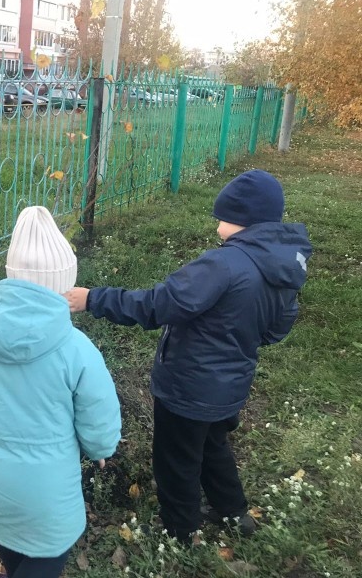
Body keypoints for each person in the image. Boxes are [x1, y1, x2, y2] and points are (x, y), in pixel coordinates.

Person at [66, 169, 313, 542]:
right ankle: (234, 512)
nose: (217, 219)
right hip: (230, 385)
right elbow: (276, 330)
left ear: (241, 218)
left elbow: (157, 305)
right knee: (213, 445)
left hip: (188, 387)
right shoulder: (282, 266)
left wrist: (93, 298)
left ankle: (180, 530)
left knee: (177, 460)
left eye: (223, 213)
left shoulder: (223, 265)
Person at [0, 206, 121, 578]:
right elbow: (98, 410)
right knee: (46, 556)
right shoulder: (77, 349)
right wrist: (101, 449)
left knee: (9, 538)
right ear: (63, 286)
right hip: (45, 499)